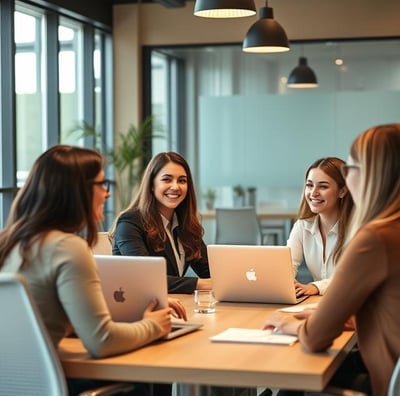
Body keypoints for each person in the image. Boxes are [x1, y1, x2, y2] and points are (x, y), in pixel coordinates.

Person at [0, 145, 187, 396]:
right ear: (78, 191)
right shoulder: (68, 247)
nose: (107, 194)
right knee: (146, 382)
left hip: (15, 384)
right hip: (53, 386)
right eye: (101, 184)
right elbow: (102, 341)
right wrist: (154, 325)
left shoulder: (10, 242)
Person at [264, 123, 400, 395]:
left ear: (376, 174)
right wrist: (333, 317)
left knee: (292, 382)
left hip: (381, 384)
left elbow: (315, 338)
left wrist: (295, 325)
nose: (349, 178)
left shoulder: (375, 237)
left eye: (352, 169)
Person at [110, 151, 212, 294]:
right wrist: (201, 284)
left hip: (174, 305)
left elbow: (209, 271)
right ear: (152, 185)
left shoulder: (185, 224)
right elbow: (146, 278)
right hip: (138, 308)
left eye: (182, 180)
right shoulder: (130, 222)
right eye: (167, 179)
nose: (175, 187)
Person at [287, 157, 353, 297]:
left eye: (323, 186)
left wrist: (315, 287)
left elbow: (352, 278)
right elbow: (287, 266)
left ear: (342, 191)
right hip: (320, 304)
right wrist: (284, 283)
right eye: (309, 185)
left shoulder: (357, 229)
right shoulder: (302, 226)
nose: (313, 193)